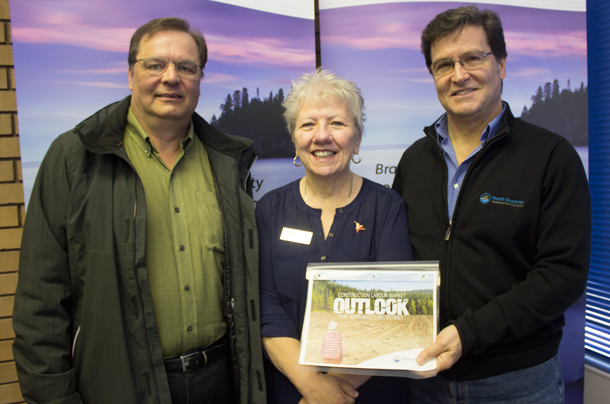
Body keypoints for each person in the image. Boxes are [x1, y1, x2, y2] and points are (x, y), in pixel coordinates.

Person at [12, 17, 265, 404]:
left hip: (218, 379)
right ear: (130, 74)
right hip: (118, 385)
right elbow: (40, 300)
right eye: (154, 65)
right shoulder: (75, 157)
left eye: (186, 67)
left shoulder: (226, 161)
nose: (171, 77)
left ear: (199, 78)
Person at [392, 6, 591, 403]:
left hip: (517, 381)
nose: (458, 75)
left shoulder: (552, 157)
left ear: (501, 64)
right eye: (443, 64)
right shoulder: (414, 160)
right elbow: (397, 259)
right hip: (425, 378)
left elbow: (563, 275)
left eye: (472, 58)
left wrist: (470, 332)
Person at [256, 68, 413, 404]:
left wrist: (330, 392)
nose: (321, 136)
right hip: (291, 387)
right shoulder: (269, 209)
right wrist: (310, 385)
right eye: (308, 124)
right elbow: (267, 308)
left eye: (337, 124)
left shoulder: (387, 207)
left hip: (368, 389)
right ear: (295, 139)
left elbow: (394, 313)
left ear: (356, 139)